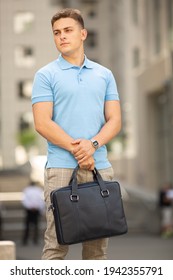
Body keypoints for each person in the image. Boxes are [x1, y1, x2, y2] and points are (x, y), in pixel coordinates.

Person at [32, 8, 121, 260]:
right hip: (61, 169)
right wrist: (80, 151)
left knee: (96, 251)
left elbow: (114, 121)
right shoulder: (45, 75)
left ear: (83, 33)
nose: (62, 36)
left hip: (99, 168)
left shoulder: (105, 74)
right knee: (55, 247)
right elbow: (42, 123)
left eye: (68, 30)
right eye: (57, 33)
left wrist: (92, 145)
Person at [21, 180, 45, 245]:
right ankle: (35, 240)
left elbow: (24, 200)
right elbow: (41, 201)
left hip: (29, 210)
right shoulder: (38, 190)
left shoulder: (27, 190)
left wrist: (30, 206)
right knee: (36, 226)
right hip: (36, 209)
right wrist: (39, 208)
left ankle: (25, 240)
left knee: (28, 225)